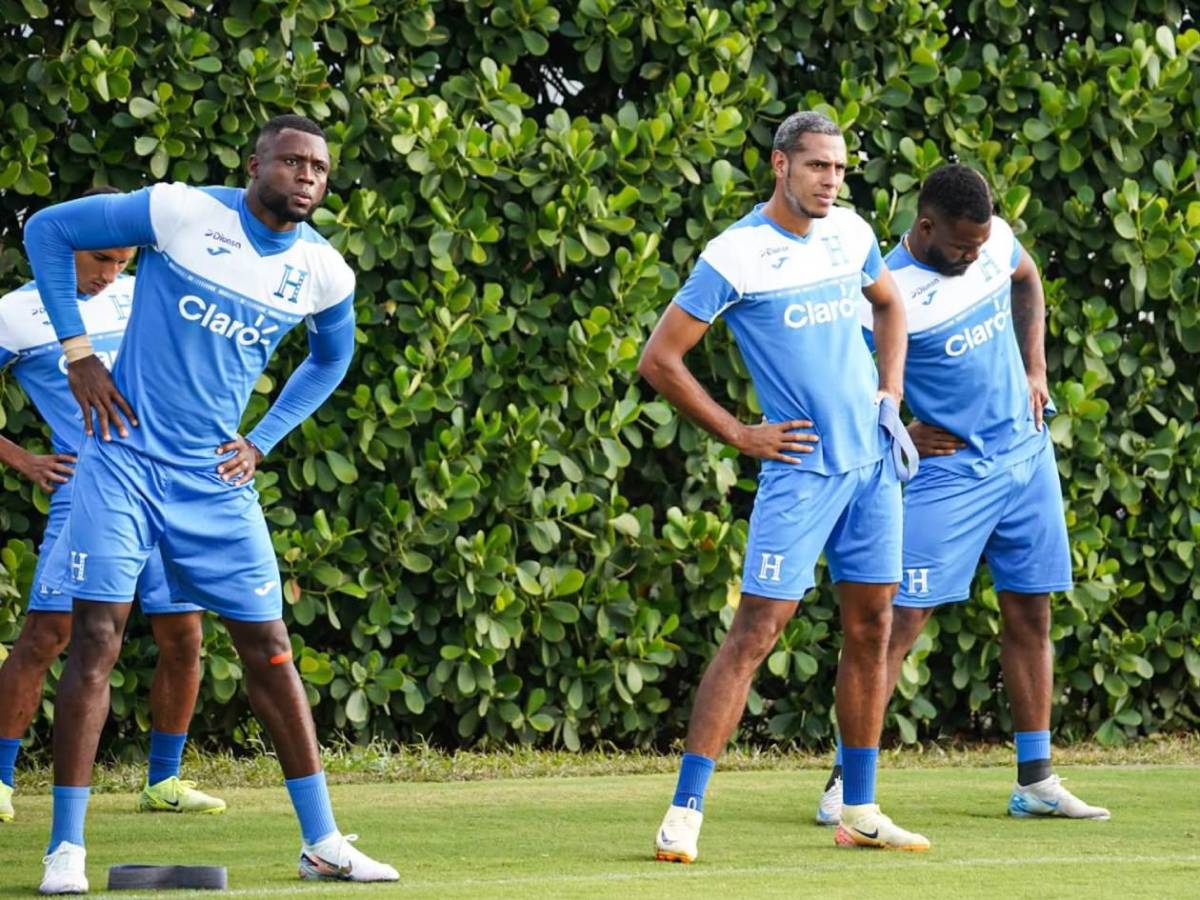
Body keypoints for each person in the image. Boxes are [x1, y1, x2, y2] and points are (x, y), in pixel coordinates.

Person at [23, 114, 397, 894]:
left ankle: (323, 842)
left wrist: (262, 439)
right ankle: (66, 850)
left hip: (214, 481)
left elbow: (332, 357)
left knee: (269, 649)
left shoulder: (325, 272)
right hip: (121, 464)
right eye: (292, 161)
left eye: (320, 169)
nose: (306, 177)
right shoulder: (182, 212)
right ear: (255, 162)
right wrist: (78, 351)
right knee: (96, 637)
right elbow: (49, 230)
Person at [638, 110, 929, 863]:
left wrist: (889, 398)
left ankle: (859, 807)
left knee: (873, 628)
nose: (831, 180)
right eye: (817, 167)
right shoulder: (736, 255)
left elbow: (890, 305)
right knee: (755, 636)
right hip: (800, 474)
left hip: (871, 471)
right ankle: (686, 811)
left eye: (839, 168)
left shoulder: (854, 233)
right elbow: (660, 359)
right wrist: (739, 433)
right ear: (780, 166)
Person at [815, 163, 1108, 826]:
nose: (976, 254)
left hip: (1027, 459)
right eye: (962, 246)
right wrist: (898, 423)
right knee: (894, 625)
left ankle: (1036, 781)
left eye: (982, 245)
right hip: (951, 476)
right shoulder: (884, 291)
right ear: (925, 226)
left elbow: (1026, 278)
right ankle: (845, 778)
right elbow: (845, 380)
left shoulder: (993, 239)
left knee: (1032, 616)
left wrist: (1035, 365)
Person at [0, 190, 224, 825]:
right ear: (65, 246)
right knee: (48, 634)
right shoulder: (14, 315)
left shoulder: (140, 291)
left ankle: (164, 781)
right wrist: (25, 460)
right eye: (100, 258)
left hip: (169, 489)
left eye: (122, 261)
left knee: (184, 635)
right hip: (90, 490)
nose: (110, 274)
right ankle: (1, 781)